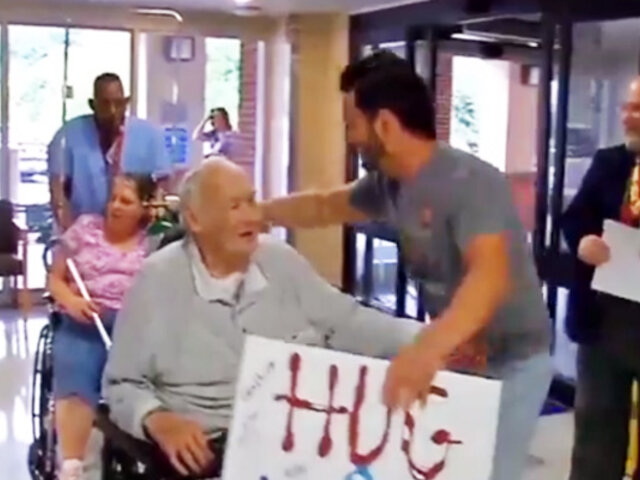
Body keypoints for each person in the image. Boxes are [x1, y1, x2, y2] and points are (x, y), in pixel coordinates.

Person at [261, 51, 552, 480]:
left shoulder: (471, 182)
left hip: (514, 359)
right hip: (462, 352)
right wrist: (259, 212)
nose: (350, 138)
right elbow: (324, 206)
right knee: (444, 469)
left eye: (351, 125)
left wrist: (427, 348)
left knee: (485, 472)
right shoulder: (389, 184)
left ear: (384, 125)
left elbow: (490, 277)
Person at [103, 158, 421, 478]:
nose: (252, 217)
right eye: (235, 206)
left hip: (298, 439)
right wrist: (157, 419)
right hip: (212, 451)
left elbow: (350, 322)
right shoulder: (157, 280)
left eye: (252, 201)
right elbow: (121, 384)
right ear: (195, 219)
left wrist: (433, 340)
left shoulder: (279, 260)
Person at [49, 173, 157, 480]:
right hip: (82, 324)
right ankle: (73, 465)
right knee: (77, 372)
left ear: (144, 208)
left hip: (131, 328)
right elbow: (55, 278)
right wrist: (71, 300)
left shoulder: (153, 244)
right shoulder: (85, 229)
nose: (116, 206)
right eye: (113, 199)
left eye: (126, 201)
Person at [562, 76, 640, 480]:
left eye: (638, 109)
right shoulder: (610, 163)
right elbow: (575, 218)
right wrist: (583, 241)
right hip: (604, 319)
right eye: (626, 106)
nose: (627, 117)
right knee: (596, 434)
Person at [47, 73, 171, 231]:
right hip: (83, 230)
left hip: (136, 232)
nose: (112, 111)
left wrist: (153, 217)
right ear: (93, 105)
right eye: (105, 104)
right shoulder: (68, 136)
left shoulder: (149, 135)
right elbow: (58, 192)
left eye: (118, 103)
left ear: (126, 103)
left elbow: (162, 182)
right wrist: (72, 234)